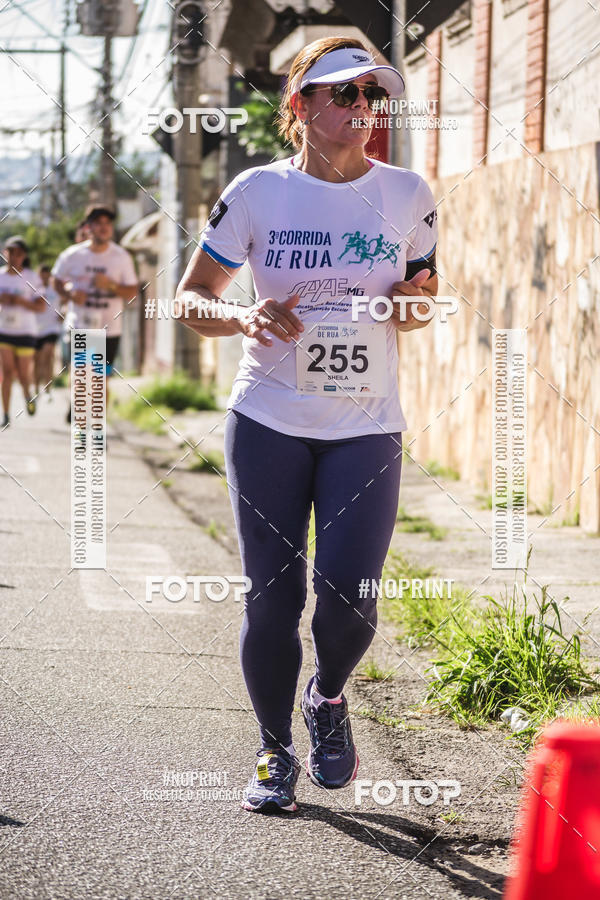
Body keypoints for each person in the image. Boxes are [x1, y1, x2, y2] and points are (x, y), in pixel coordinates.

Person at [176, 36, 439, 813]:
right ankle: (273, 750)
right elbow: (191, 299)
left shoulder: (409, 192)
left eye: (373, 96)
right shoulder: (258, 191)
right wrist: (242, 315)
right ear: (300, 106)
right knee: (272, 597)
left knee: (352, 598)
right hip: (268, 418)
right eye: (344, 95)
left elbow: (423, 301)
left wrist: (410, 306)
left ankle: (327, 698)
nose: (363, 109)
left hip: (366, 424)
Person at [52, 204, 138, 422]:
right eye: (98, 223)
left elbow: (131, 292)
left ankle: (97, 425)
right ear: (89, 227)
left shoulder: (121, 257)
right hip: (81, 325)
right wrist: (70, 293)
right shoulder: (73, 255)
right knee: (82, 376)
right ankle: (83, 421)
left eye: (107, 223)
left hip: (110, 330)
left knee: (99, 381)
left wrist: (110, 286)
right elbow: (56, 280)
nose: (104, 227)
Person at [0, 236, 46, 427]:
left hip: (26, 332)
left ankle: (28, 396)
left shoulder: (31, 277)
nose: (14, 257)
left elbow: (42, 306)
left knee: (23, 374)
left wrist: (21, 302)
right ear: (5, 253)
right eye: (11, 252)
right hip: (4, 331)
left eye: (18, 253)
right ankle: (6, 414)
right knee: (7, 372)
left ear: (24, 256)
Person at [34, 264, 63, 399]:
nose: (44, 278)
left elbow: (64, 302)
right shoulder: (32, 289)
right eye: (42, 275)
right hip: (35, 329)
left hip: (52, 329)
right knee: (37, 360)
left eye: (47, 275)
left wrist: (62, 314)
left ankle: (48, 388)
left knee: (48, 355)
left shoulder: (55, 290)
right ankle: (35, 387)